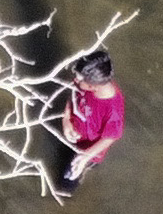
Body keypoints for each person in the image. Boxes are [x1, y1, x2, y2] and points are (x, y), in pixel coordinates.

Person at [51, 50, 125, 196]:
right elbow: (73, 93)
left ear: (93, 87)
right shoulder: (85, 82)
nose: (75, 80)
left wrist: (86, 156)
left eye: (79, 79)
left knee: (66, 181)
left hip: (90, 150)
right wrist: (66, 119)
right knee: (61, 155)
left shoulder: (113, 109)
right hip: (75, 133)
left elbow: (111, 136)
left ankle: (65, 195)